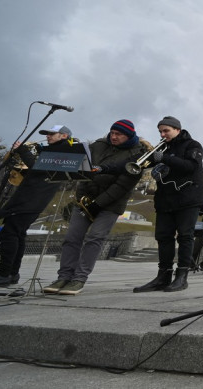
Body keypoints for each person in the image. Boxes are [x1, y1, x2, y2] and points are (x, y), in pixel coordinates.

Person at [42, 120, 148, 295]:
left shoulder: (138, 155)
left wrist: (98, 204)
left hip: (111, 204)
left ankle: (79, 279)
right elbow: (84, 169)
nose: (113, 137)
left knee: (95, 238)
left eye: (118, 134)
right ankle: (64, 276)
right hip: (85, 199)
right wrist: (82, 196)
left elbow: (122, 186)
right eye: (112, 132)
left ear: (128, 136)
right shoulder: (98, 145)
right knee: (72, 238)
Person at [0, 125, 74, 288]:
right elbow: (39, 174)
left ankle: (4, 273)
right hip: (31, 197)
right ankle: (12, 273)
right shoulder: (53, 151)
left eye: (52, 134)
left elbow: (39, 169)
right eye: (47, 134)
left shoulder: (64, 152)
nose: (48, 136)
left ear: (63, 136)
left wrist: (22, 150)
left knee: (10, 233)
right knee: (17, 234)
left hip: (31, 200)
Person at [133, 116, 203, 293]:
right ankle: (163, 275)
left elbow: (190, 166)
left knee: (185, 236)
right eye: (160, 131)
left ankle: (182, 276)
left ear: (177, 130)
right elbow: (147, 166)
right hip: (165, 198)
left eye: (166, 131)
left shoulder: (193, 145)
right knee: (163, 236)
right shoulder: (164, 148)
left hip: (188, 197)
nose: (163, 135)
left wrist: (164, 158)